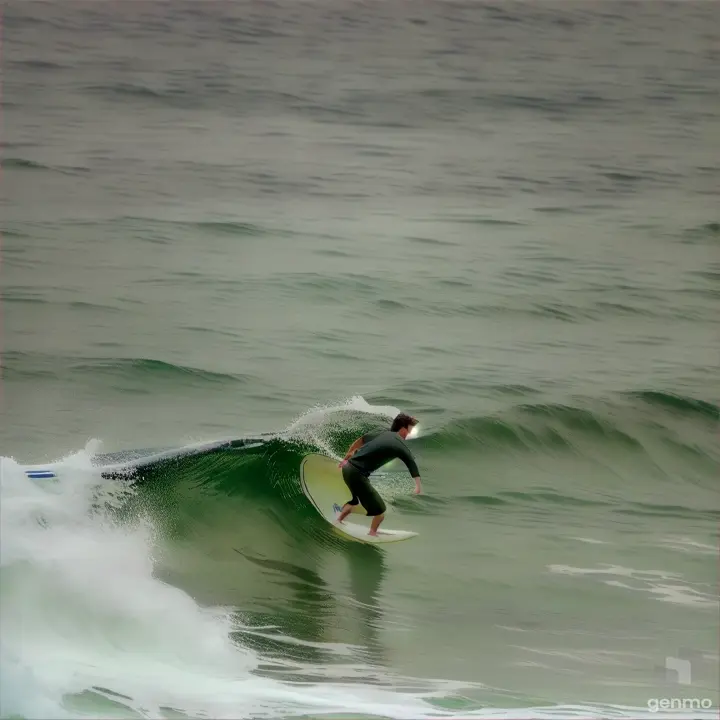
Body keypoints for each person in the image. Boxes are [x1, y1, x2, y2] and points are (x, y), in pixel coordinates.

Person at [336, 412, 422, 536]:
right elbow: (410, 461)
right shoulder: (398, 441)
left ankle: (338, 521)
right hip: (358, 474)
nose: (408, 434)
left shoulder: (382, 432)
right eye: (409, 430)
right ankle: (372, 533)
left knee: (355, 501)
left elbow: (361, 440)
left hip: (348, 468)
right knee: (380, 511)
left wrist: (345, 458)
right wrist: (418, 485)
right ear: (403, 428)